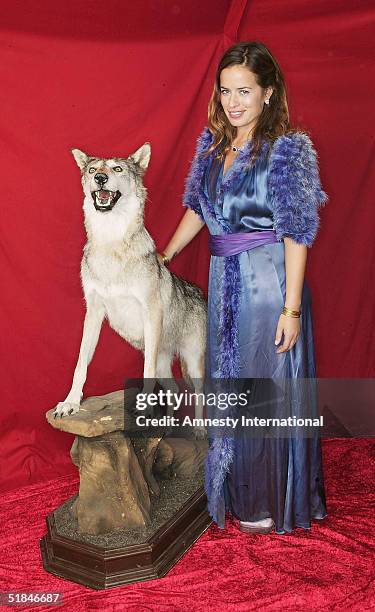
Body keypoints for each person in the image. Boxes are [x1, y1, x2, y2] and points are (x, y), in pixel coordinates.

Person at [158, 41, 328, 535]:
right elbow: (198, 208)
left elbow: (297, 230)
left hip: (268, 287)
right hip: (225, 285)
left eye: (245, 92)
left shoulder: (287, 151)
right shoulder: (212, 146)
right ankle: (238, 489)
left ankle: (270, 498)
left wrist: (291, 309)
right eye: (227, 91)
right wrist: (165, 255)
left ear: (268, 94)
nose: (234, 102)